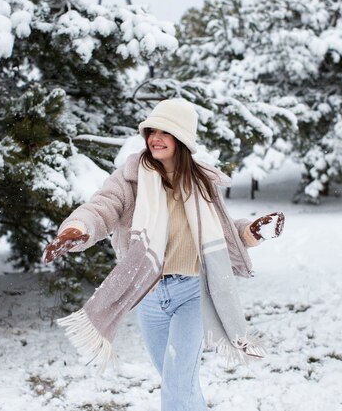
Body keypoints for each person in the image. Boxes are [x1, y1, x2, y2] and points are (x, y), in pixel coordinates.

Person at [43, 98, 284, 411]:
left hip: (193, 292)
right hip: (148, 294)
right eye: (150, 131)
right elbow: (101, 209)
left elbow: (223, 230)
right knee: (177, 382)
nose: (154, 138)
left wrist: (251, 231)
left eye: (164, 132)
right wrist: (77, 228)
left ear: (182, 137)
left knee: (177, 385)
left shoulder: (200, 182)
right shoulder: (130, 178)